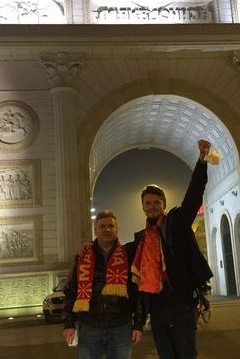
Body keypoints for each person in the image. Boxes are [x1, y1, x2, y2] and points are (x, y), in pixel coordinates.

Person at [132, 139, 214, 359]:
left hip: (181, 304)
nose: (152, 206)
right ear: (142, 207)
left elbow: (194, 195)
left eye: (156, 203)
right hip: (157, 308)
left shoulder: (177, 221)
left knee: (186, 354)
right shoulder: (141, 239)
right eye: (147, 203)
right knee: (166, 355)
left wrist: (202, 161)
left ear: (163, 205)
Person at [63, 210, 143, 359]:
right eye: (102, 226)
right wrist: (69, 323)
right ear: (95, 230)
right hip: (89, 326)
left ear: (116, 229)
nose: (107, 229)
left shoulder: (129, 254)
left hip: (121, 326)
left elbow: (137, 292)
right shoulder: (82, 256)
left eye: (111, 226)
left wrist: (138, 323)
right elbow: (71, 290)